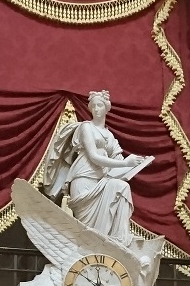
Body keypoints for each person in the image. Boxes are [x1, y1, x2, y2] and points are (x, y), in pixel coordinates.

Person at [44, 90, 147, 246]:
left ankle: (120, 239)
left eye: (100, 105)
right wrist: (126, 163)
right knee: (88, 233)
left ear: (106, 108)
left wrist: (138, 163)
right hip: (83, 179)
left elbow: (118, 163)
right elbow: (94, 157)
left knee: (123, 187)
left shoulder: (109, 135)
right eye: (94, 106)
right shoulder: (86, 127)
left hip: (101, 181)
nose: (97, 109)